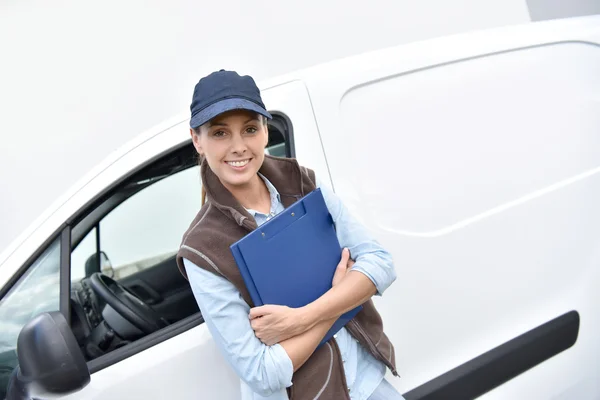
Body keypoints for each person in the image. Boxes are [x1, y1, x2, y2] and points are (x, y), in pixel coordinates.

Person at [176, 70, 404, 400]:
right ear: (197, 140)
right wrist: (340, 300)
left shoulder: (301, 184)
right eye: (220, 133)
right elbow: (263, 373)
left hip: (368, 384)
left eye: (250, 129)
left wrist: (299, 320)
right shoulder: (201, 249)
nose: (238, 147)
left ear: (266, 131)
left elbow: (381, 264)